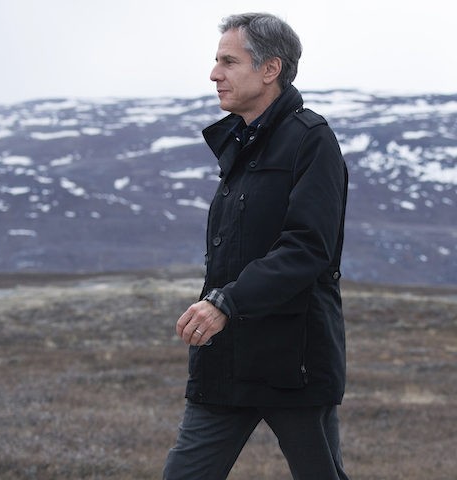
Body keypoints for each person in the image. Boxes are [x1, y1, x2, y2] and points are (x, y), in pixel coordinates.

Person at [163, 12, 350, 480]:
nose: (214, 74)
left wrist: (226, 302)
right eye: (216, 61)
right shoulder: (240, 143)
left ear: (270, 69)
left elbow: (308, 248)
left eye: (229, 61)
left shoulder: (311, 141)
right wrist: (220, 308)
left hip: (294, 362)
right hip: (225, 361)